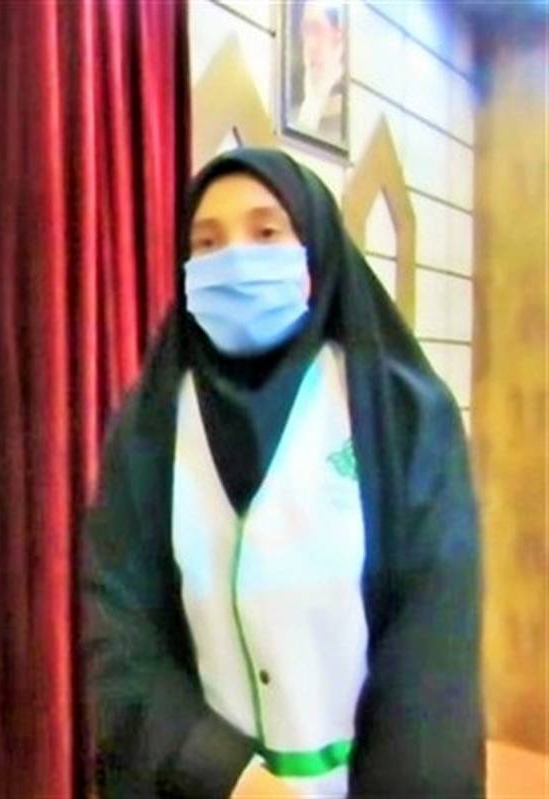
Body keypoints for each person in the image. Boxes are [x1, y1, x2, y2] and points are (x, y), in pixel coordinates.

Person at [82, 148, 483, 798]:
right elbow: (121, 635)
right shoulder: (149, 427)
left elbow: (430, 663)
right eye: (206, 243)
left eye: (266, 232)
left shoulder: (402, 416)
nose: (234, 260)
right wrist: (227, 775)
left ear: (315, 250)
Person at [293, 0, 346, 141]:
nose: (310, 44)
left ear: (337, 37)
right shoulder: (296, 113)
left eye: (316, 30)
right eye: (306, 31)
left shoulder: (349, 109)